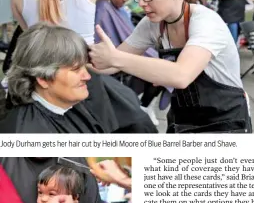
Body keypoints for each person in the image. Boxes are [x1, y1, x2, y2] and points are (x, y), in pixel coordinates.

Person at [89, 0, 252, 133]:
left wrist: (115, 58)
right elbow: (108, 64)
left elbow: (181, 75)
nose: (141, 3)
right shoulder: (152, 25)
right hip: (183, 120)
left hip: (226, 123)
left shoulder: (206, 22)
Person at [0, 24, 157, 133]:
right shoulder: (25, 135)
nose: (88, 76)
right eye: (76, 69)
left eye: (84, 67)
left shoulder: (72, 108)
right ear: (43, 78)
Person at [95, 0, 164, 125]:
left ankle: (145, 106)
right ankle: (140, 105)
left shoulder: (121, 10)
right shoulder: (103, 8)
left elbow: (128, 32)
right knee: (157, 69)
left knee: (162, 68)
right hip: (115, 53)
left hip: (128, 50)